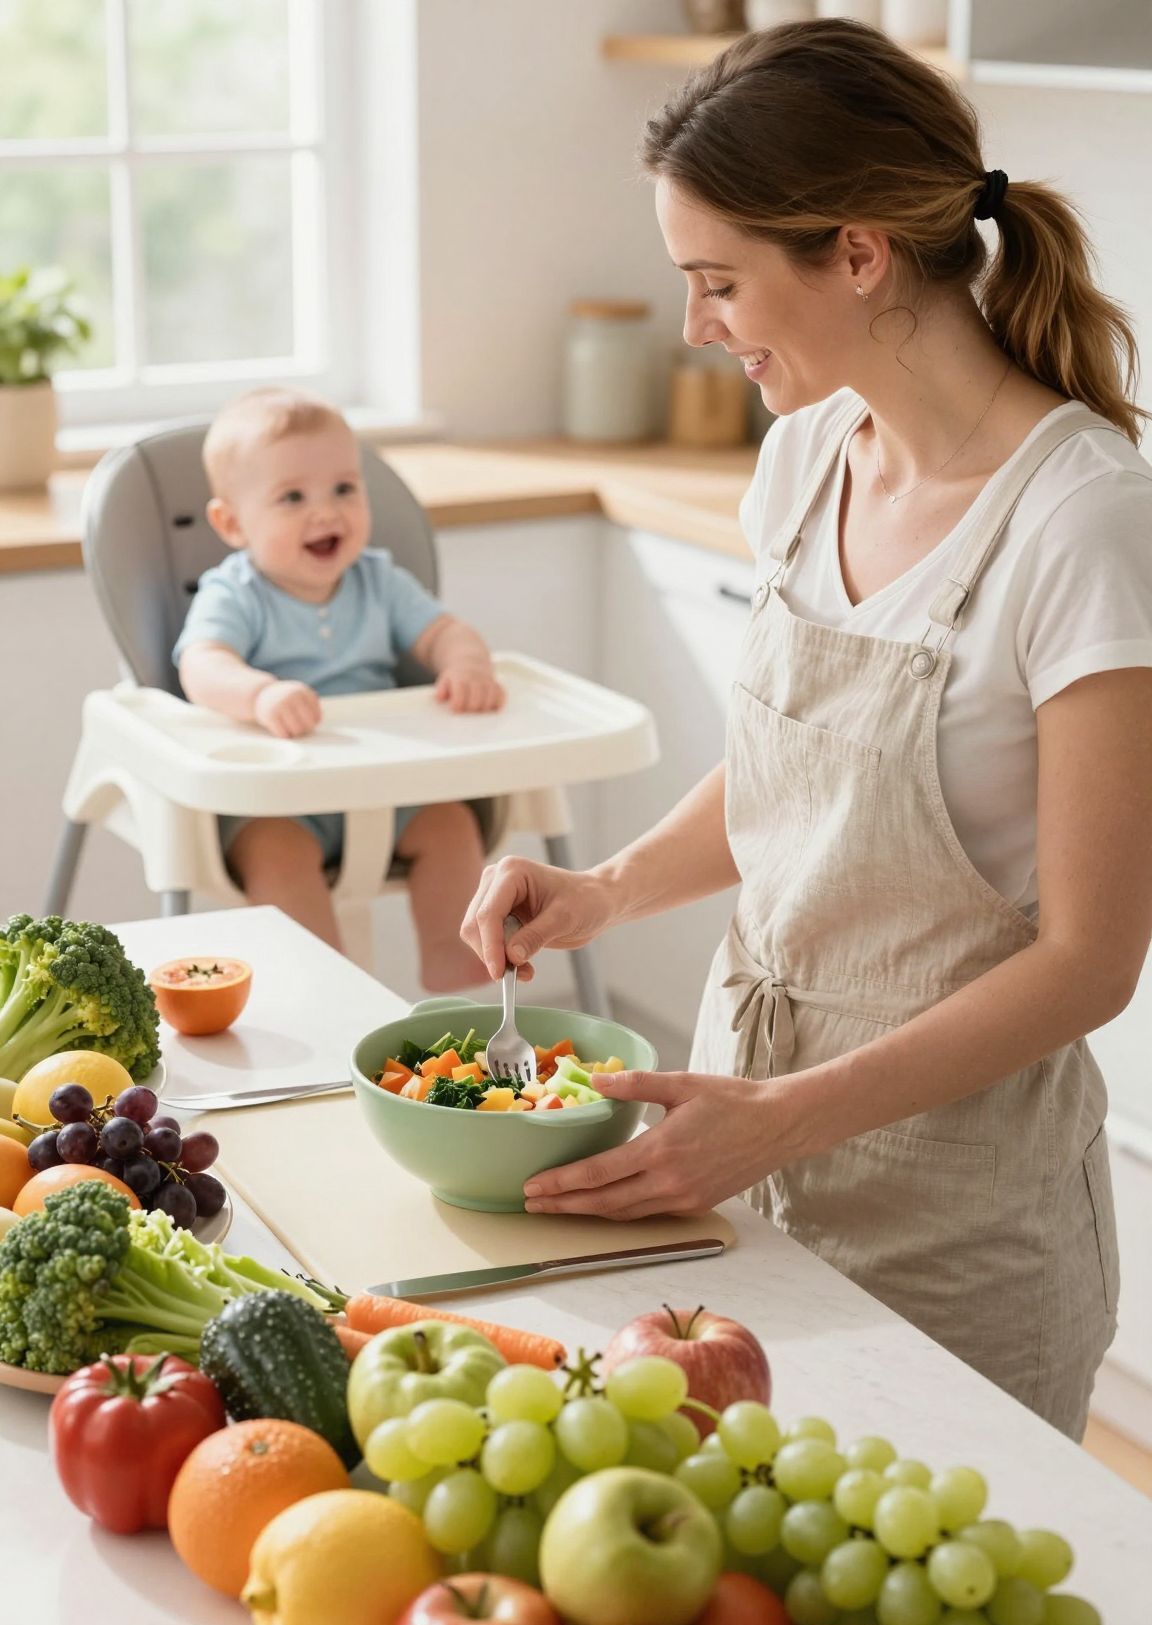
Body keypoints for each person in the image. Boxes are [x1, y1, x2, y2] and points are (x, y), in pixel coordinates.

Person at [461, 19, 1152, 1439]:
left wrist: (787, 1115)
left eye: (720, 282)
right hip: (736, 1171)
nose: (699, 325)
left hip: (962, 1221)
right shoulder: (804, 457)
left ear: (856, 252)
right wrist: (605, 888)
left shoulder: (1083, 522)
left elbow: (1093, 961)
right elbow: (799, 773)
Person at [175, 386, 503, 987]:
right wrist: (260, 694)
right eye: (292, 497)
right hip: (284, 798)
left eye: (344, 489)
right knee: (276, 855)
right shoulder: (235, 593)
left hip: (387, 781)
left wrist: (466, 668)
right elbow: (201, 663)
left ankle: (455, 965)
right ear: (231, 523)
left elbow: (447, 632)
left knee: (452, 825)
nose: (325, 512)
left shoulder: (378, 581)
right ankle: (330, 985)